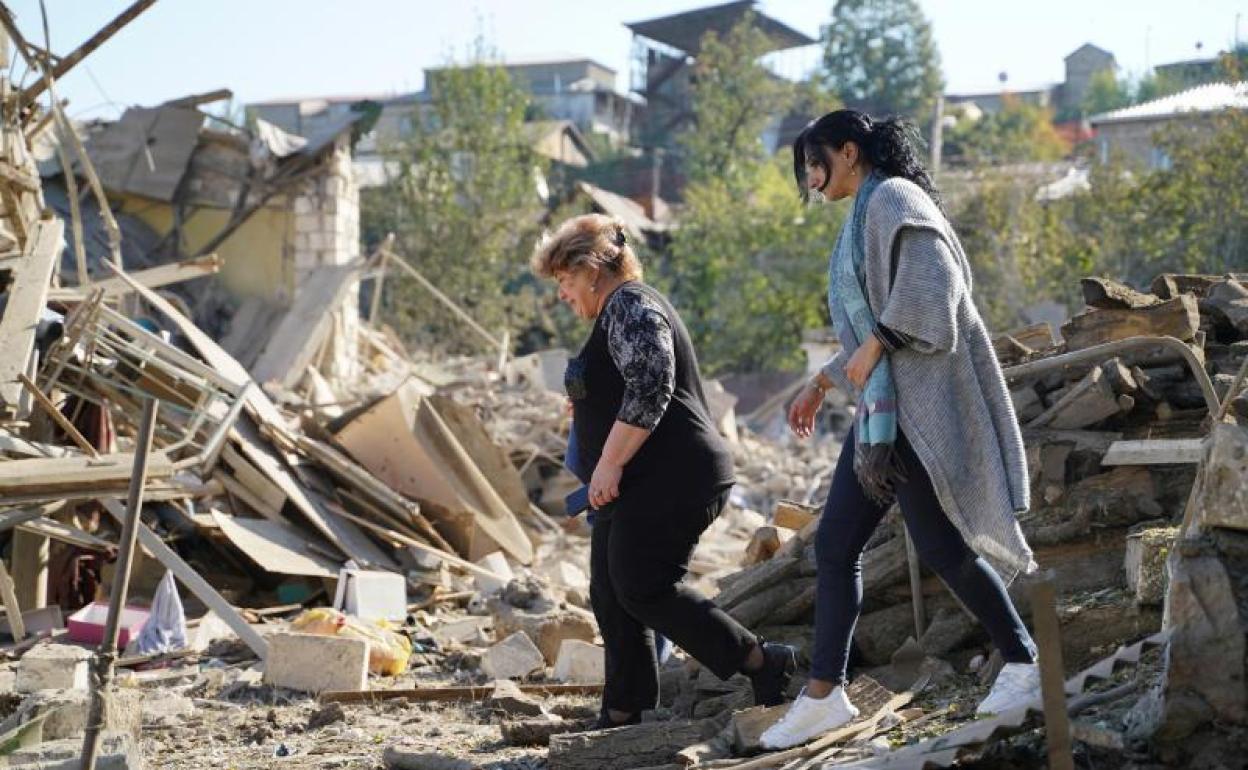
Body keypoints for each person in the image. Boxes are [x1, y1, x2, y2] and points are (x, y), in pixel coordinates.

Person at [759, 110, 1042, 750]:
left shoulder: (893, 196)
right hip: (885, 416)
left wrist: (877, 344)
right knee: (835, 547)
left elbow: (934, 286)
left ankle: (1023, 662)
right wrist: (823, 380)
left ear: (850, 152)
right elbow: (867, 335)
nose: (809, 178)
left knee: (942, 547)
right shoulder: (863, 214)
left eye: (815, 162)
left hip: (915, 410)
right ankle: (825, 696)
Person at [532, 214, 795, 729]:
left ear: (590, 269)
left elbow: (652, 383)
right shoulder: (614, 314)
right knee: (611, 591)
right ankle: (625, 710)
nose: (562, 295)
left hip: (676, 474)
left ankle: (763, 660)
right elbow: (624, 384)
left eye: (564, 281)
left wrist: (608, 461)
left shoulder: (630, 303)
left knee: (643, 584)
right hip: (637, 479)